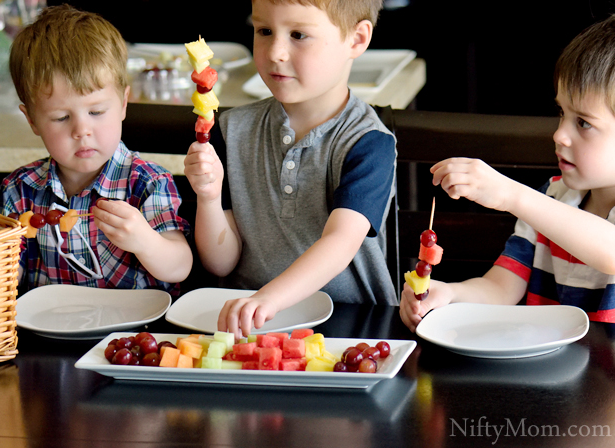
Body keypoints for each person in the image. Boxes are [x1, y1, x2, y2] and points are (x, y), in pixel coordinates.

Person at [184, 0, 397, 337]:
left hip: (351, 327)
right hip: (249, 325)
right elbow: (221, 262)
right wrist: (208, 197)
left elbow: (341, 240)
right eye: (264, 31)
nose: (275, 52)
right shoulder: (230, 130)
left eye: (298, 34)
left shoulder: (368, 142)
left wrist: (270, 298)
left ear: (356, 40)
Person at [400, 15, 615, 332]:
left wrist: (512, 195)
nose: (559, 135)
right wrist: (450, 294)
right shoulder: (552, 197)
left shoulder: (537, 205)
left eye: (583, 122)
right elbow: (501, 288)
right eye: (561, 113)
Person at [0, 5, 192, 293]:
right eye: (61, 118)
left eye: (96, 112)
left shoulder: (147, 183)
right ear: (32, 120)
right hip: (45, 333)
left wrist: (144, 241)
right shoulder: (19, 191)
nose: (81, 130)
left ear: (123, 104)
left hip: (131, 333)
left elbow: (180, 266)